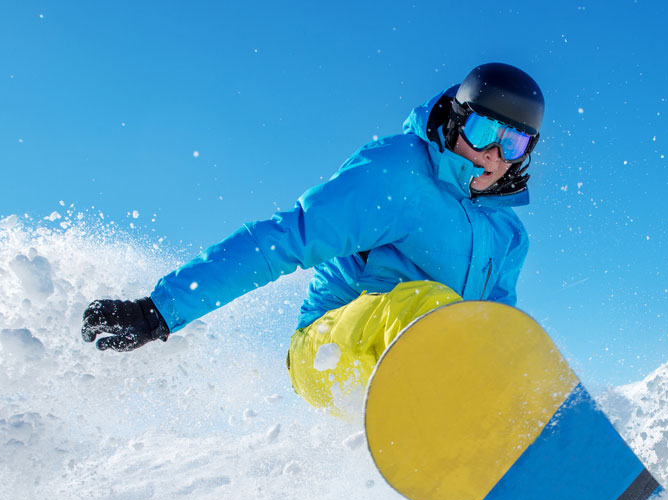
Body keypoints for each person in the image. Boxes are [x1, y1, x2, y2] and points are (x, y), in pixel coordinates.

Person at [81, 63, 544, 413]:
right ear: (457, 119)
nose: (493, 156)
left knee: (506, 346)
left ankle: (502, 466)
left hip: (425, 375)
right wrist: (159, 311)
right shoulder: (398, 173)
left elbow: (494, 327)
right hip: (325, 351)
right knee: (431, 308)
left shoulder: (507, 234)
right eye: (484, 132)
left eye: (513, 143)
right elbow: (287, 238)